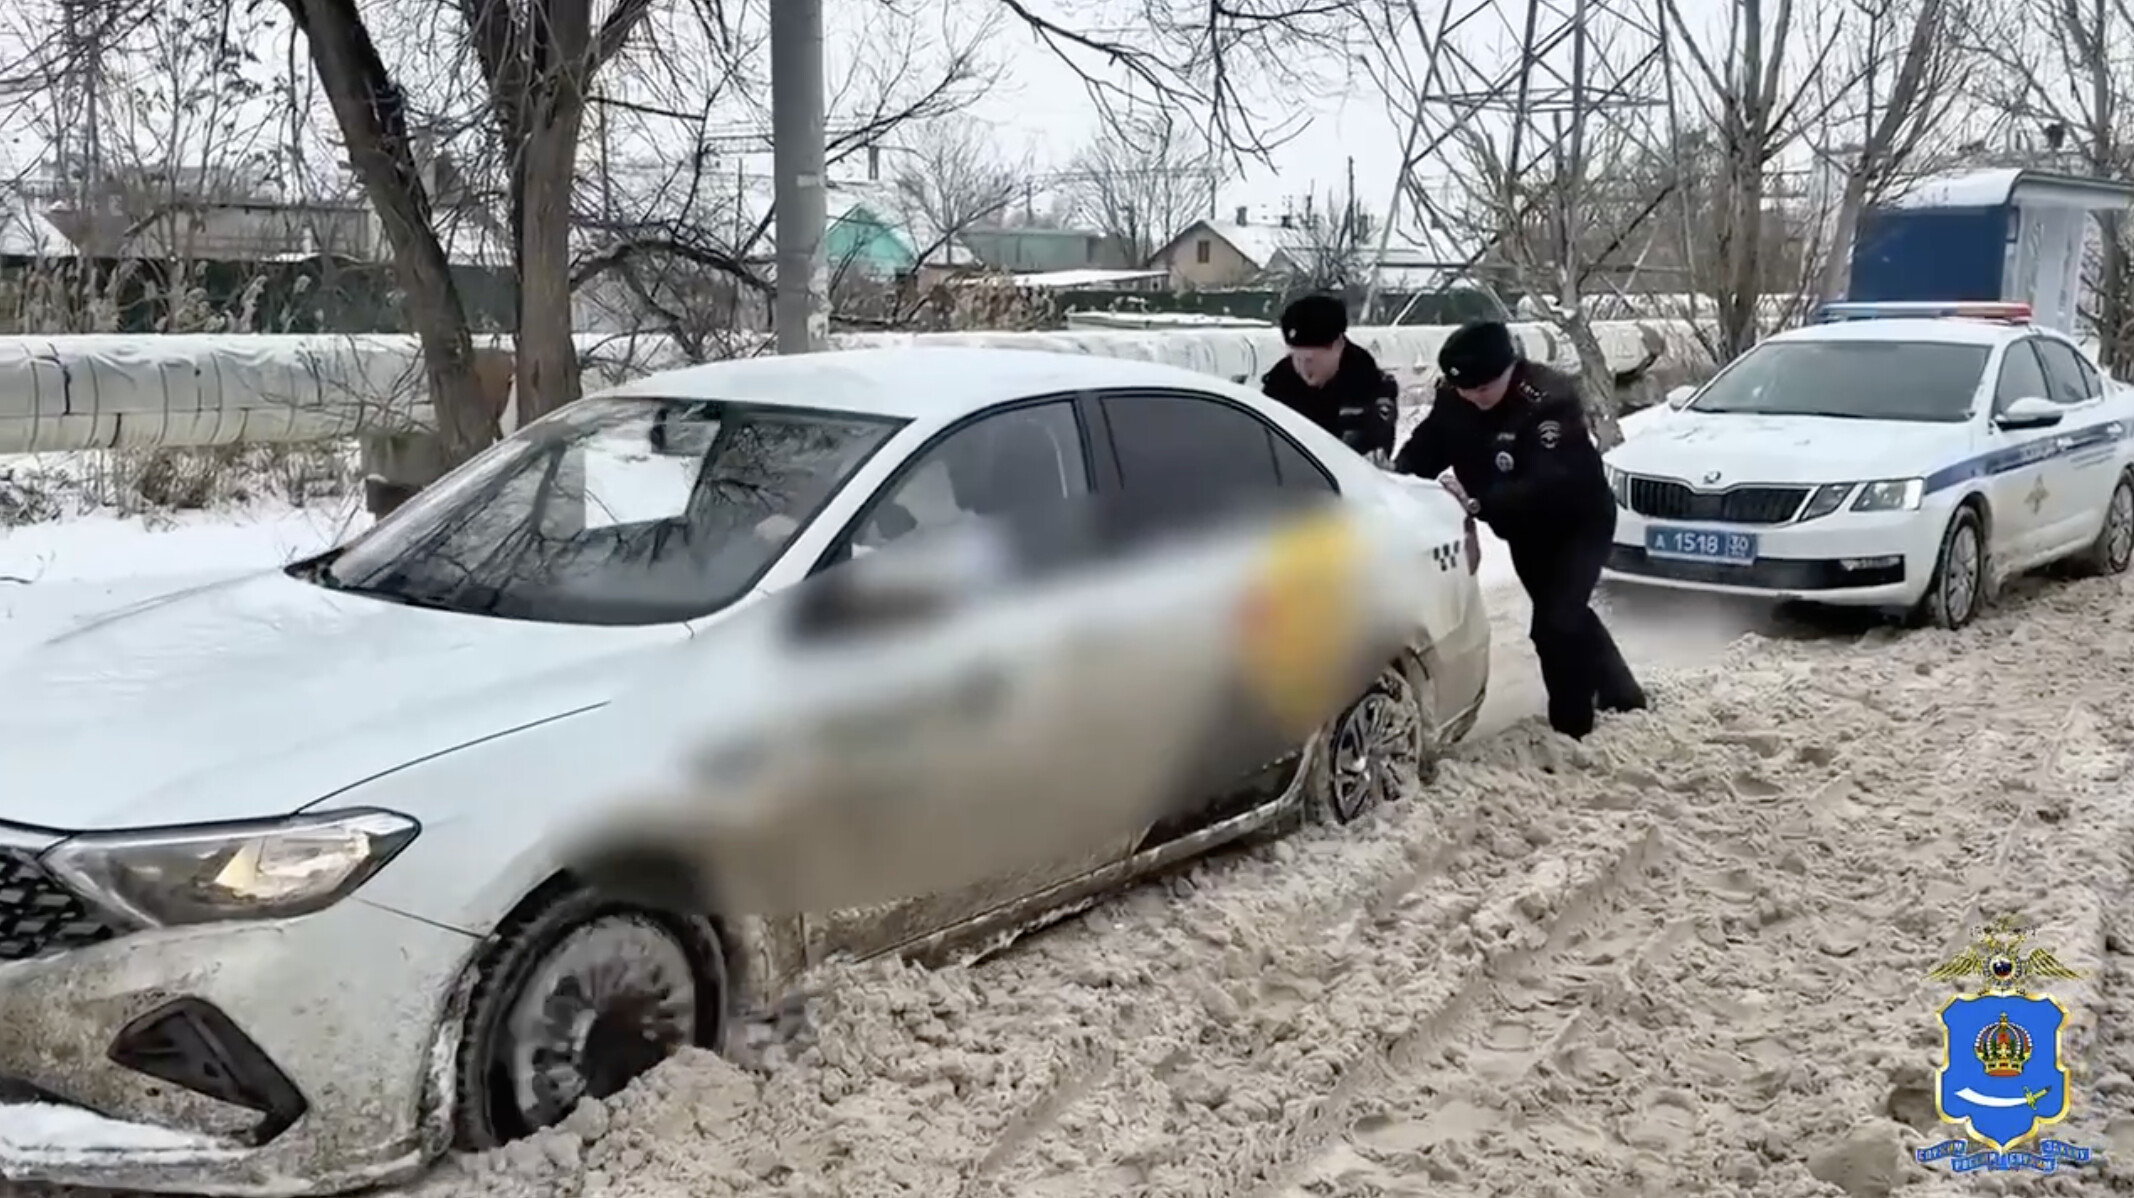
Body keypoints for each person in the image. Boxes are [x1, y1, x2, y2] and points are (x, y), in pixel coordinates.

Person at [1392, 319, 1646, 739]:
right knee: (1566, 613)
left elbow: (1549, 482)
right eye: (1464, 390)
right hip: (1524, 532)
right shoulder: (1456, 399)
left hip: (1575, 523)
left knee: (1554, 624)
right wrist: (1391, 480)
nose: (1473, 398)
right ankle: (1623, 694)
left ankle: (1571, 730)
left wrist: (1478, 502)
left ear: (1509, 369)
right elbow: (1426, 448)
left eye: (1483, 389)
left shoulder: (1549, 401)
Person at [1261, 294, 1400, 460]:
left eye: (1312, 360)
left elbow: (1361, 459)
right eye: (1297, 358)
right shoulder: (1279, 384)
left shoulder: (1369, 386)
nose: (1304, 368)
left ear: (1338, 346)